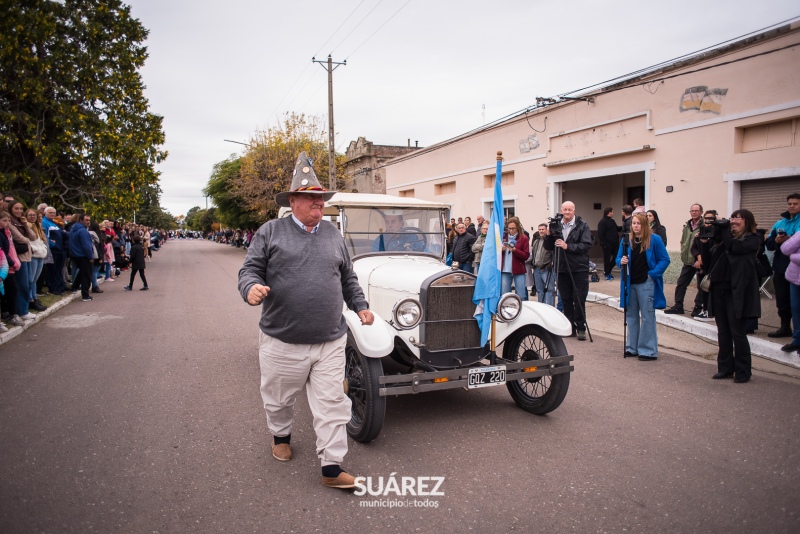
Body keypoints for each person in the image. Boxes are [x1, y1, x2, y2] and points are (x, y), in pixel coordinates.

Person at [237, 152, 373, 490]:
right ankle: (280, 435)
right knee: (279, 398)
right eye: (311, 198)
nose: (318, 204)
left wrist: (360, 305)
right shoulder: (270, 232)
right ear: (294, 200)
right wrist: (251, 287)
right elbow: (249, 270)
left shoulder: (332, 235)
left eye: (321, 199)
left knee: (332, 403)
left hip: (330, 339)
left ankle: (331, 467)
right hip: (283, 340)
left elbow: (348, 278)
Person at [702, 210, 761, 383]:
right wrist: (706, 243)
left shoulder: (753, 238)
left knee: (738, 332)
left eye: (738, 218)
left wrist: (725, 231)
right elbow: (708, 262)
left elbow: (735, 248)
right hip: (719, 289)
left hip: (737, 292)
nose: (733, 221)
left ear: (747, 221)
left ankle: (743, 371)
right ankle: (725, 368)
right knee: (723, 331)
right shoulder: (723, 239)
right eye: (732, 218)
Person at [616, 214, 670, 360]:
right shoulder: (626, 240)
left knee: (647, 317)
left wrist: (652, 274)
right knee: (631, 316)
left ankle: (648, 350)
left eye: (639, 223)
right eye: (633, 223)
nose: (635, 226)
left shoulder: (655, 239)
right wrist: (621, 260)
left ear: (644, 224)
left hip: (646, 283)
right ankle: (632, 347)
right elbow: (617, 258)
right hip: (629, 282)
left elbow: (665, 260)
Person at [544, 201, 593, 340]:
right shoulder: (557, 225)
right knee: (565, 299)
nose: (567, 212)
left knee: (579, 298)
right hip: (561, 267)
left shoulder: (583, 225)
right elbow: (548, 247)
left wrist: (568, 246)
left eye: (569, 210)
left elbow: (586, 245)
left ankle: (581, 327)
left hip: (579, 268)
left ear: (574, 210)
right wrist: (548, 235)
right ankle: (569, 327)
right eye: (564, 210)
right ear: (561, 210)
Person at [765, 193, 800, 338]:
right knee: (782, 299)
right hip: (781, 266)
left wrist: (791, 240)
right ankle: (785, 327)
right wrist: (777, 242)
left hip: (797, 267)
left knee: (797, 303)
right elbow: (769, 243)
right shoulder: (780, 223)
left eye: (795, 204)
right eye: (789, 203)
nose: (791, 206)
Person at [665, 204, 705, 316]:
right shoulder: (687, 225)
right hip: (687, 260)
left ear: (701, 212)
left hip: (699, 260)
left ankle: (698, 307)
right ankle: (678, 306)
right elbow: (683, 241)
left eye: (696, 210)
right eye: (692, 210)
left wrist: (700, 259)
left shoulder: (704, 226)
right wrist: (683, 251)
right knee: (681, 283)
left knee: (700, 286)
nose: (694, 212)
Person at [8, 201, 36, 320]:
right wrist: (27, 240)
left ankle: (24, 309)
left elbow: (33, 236)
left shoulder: (21, 222)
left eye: (20, 209)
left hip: (28, 255)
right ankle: (22, 311)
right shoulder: (10, 222)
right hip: (18, 257)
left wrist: (25, 224)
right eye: (16, 208)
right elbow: (21, 238)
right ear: (11, 209)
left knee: (29, 282)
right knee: (23, 284)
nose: (19, 211)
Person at [779, 231, 800, 353]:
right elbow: (785, 248)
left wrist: (793, 256)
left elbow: (790, 254)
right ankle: (797, 340)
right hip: (794, 278)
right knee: (796, 309)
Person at [501, 217, 530, 300]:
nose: (511, 230)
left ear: (518, 227)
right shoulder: (503, 237)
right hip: (505, 270)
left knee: (521, 295)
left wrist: (515, 250)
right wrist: (501, 250)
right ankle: (506, 311)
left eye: (513, 228)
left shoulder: (523, 238)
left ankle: (521, 310)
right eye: (509, 228)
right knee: (505, 295)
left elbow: (526, 256)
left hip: (518, 270)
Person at [69, 213, 94, 302]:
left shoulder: (73, 229)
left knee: (81, 273)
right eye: (86, 220)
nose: (88, 222)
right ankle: (85, 295)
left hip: (75, 254)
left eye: (89, 220)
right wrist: (91, 256)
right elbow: (86, 245)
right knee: (86, 275)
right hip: (83, 255)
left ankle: (74, 287)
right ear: (81, 220)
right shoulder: (83, 231)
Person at [529, 223, 554, 305]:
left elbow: (553, 254)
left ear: (546, 230)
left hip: (546, 269)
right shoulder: (536, 241)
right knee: (540, 291)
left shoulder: (550, 241)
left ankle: (550, 309)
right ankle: (542, 308)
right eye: (539, 229)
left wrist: (551, 264)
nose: (541, 231)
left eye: (543, 229)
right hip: (536, 269)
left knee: (550, 290)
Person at [597, 207, 620, 281]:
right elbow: (600, 234)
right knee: (607, 259)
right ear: (609, 212)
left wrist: (625, 226)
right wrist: (604, 243)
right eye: (612, 212)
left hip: (615, 243)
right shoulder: (602, 222)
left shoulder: (612, 221)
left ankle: (608, 270)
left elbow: (617, 228)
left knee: (616, 257)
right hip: (607, 244)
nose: (613, 213)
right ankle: (607, 274)